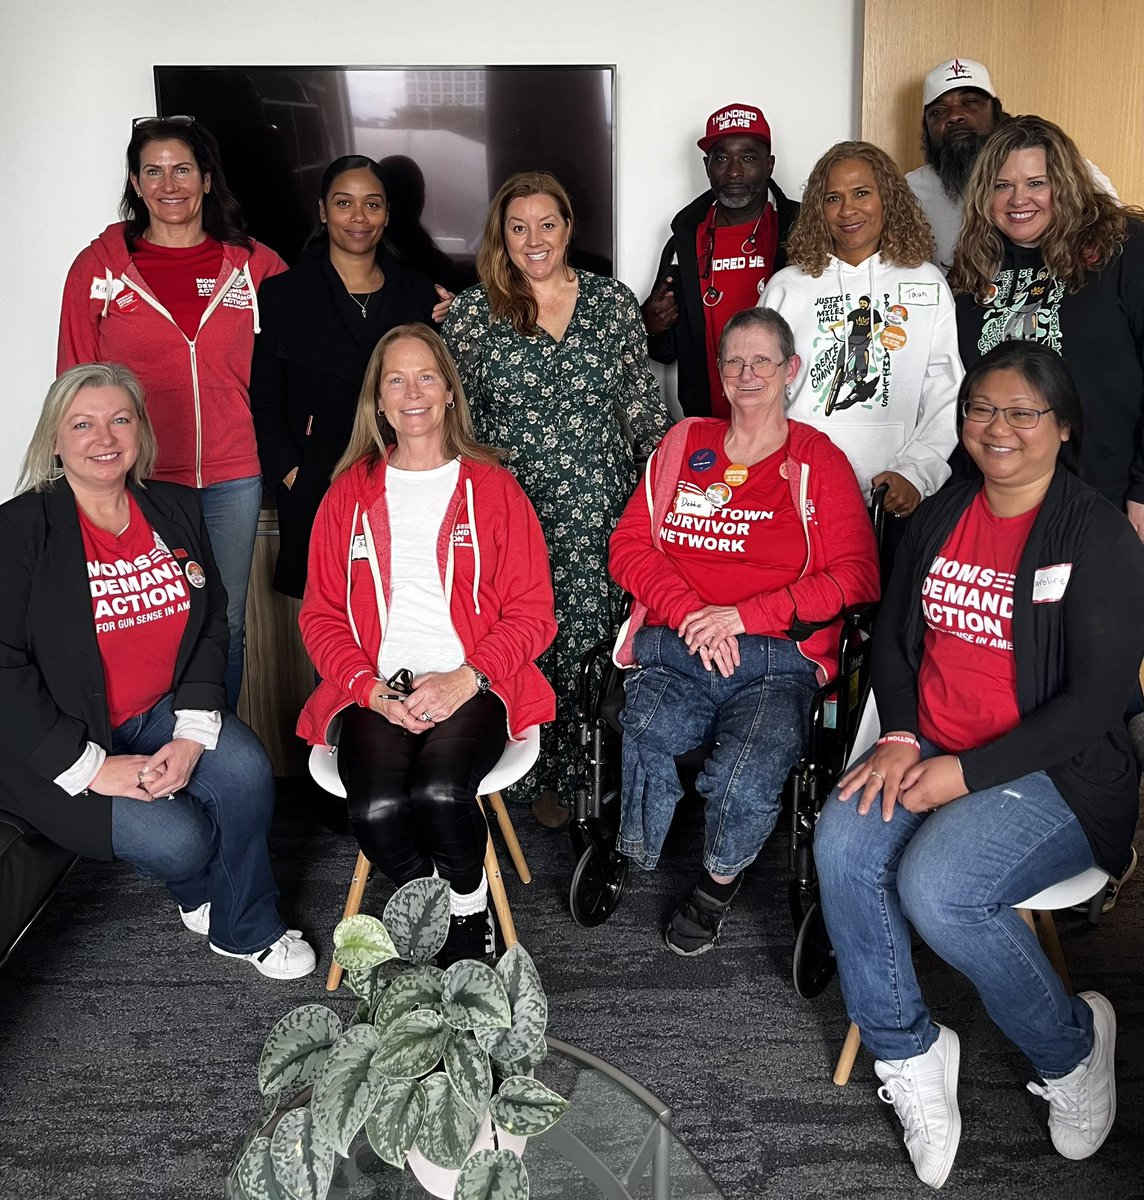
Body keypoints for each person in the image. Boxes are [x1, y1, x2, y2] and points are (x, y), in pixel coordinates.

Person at [814, 343, 1144, 1189]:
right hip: (927, 745)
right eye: (981, 410)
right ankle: (912, 1052)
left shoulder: (1096, 534)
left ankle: (1072, 1049)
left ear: (1063, 428)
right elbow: (892, 640)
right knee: (842, 842)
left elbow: (1099, 700)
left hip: (1059, 774)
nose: (998, 429)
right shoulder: (942, 514)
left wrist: (966, 773)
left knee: (940, 886)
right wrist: (902, 737)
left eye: (1023, 413)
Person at [0, 363, 315, 979]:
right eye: (83, 423)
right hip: (54, 743)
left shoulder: (174, 508)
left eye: (121, 419)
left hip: (156, 710)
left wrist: (191, 732)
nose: (105, 437)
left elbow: (211, 617)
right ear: (54, 439)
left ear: (141, 431)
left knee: (247, 771)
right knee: (181, 840)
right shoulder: (19, 529)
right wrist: (90, 766)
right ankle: (200, 889)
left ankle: (245, 926)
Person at [609, 308, 880, 956]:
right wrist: (690, 612)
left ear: (791, 371)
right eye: (734, 360)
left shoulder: (818, 460)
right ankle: (638, 850)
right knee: (643, 729)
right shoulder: (683, 444)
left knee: (746, 775)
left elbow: (859, 577)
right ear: (720, 373)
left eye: (763, 361)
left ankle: (715, 887)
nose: (747, 373)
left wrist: (743, 616)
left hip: (774, 661)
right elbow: (629, 546)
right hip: (677, 645)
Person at [297, 324, 557, 962]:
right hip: (376, 686)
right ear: (378, 402)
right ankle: (453, 901)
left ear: (448, 392)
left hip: (476, 681)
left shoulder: (493, 488)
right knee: (380, 809)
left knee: (439, 793)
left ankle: (468, 930)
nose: (412, 392)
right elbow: (320, 615)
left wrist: (469, 677)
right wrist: (369, 691)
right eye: (396, 380)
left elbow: (534, 612)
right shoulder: (348, 494)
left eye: (426, 377)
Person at [443, 171, 668, 827]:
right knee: (521, 638)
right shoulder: (472, 312)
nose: (534, 240)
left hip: (602, 507)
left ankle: (585, 779)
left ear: (569, 228)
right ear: (501, 235)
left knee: (593, 645)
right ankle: (525, 774)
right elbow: (460, 426)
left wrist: (669, 498)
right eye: (519, 227)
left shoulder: (612, 303)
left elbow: (640, 407)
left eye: (547, 224)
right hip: (513, 511)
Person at [57, 117, 286, 708]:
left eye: (182, 168)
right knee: (152, 626)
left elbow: (303, 349)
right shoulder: (98, 270)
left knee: (226, 624)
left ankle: (215, 746)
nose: (169, 183)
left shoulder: (255, 265)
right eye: (152, 170)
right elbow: (74, 381)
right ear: (135, 182)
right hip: (137, 481)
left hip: (233, 478)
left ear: (207, 180)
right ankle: (153, 743)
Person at [250, 155, 453, 598]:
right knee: (330, 623)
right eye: (344, 203)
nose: (359, 218)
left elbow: (442, 387)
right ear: (323, 211)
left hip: (406, 475)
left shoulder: (420, 292)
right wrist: (290, 472)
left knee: (410, 602)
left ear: (387, 213)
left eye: (372, 204)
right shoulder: (283, 294)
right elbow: (264, 397)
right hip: (315, 478)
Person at [949, 115, 1144, 537]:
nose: (1019, 199)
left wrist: (1143, 489)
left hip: (1107, 498)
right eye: (1003, 185)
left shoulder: (1125, 249)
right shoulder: (970, 271)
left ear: (1066, 184)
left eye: (1036, 183)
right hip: (999, 504)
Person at [762, 141, 962, 527]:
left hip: (894, 493)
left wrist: (917, 473)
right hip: (801, 490)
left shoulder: (926, 281)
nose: (847, 210)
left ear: (887, 197)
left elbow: (946, 391)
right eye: (832, 197)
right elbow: (763, 387)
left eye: (862, 193)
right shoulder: (787, 287)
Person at [643, 103, 800, 418]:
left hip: (790, 422)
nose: (734, 171)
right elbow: (666, 352)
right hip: (711, 426)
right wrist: (652, 325)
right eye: (722, 158)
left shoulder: (802, 230)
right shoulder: (684, 241)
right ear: (707, 166)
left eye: (748, 157)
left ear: (769, 165)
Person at [906, 58, 1118, 272]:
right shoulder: (909, 191)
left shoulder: (1064, 167)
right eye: (938, 111)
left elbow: (1115, 240)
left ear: (997, 110)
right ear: (926, 128)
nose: (955, 116)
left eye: (970, 102)